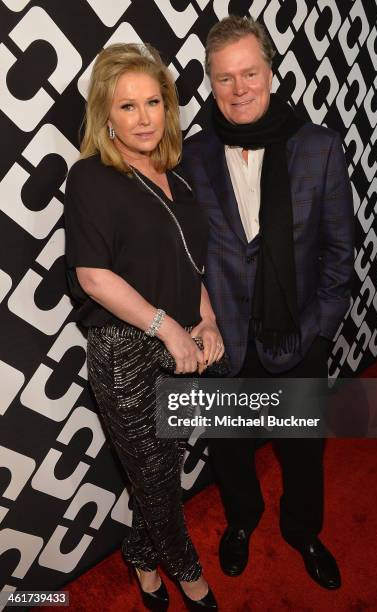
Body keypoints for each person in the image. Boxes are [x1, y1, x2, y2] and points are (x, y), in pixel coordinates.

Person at [182, 16, 354, 591]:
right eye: (225, 78)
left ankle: (304, 531)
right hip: (224, 343)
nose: (239, 89)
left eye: (249, 73)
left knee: (304, 455)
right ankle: (241, 521)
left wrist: (317, 333)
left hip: (297, 337)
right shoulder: (192, 155)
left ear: (272, 74)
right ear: (211, 83)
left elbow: (337, 253)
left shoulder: (320, 148)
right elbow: (181, 254)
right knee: (230, 450)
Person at [64, 42, 223, 611]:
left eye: (153, 101)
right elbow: (93, 277)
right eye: (127, 106)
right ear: (106, 114)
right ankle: (189, 573)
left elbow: (192, 267)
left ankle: (138, 553)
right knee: (159, 482)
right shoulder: (91, 178)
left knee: (160, 472)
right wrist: (168, 328)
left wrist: (205, 318)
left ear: (168, 106)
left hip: (182, 344)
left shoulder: (176, 182)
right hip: (127, 349)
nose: (143, 117)